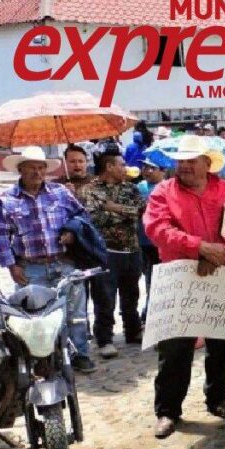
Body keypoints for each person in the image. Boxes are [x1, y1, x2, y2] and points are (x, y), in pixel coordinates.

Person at [144, 136, 225, 439]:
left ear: (207, 163)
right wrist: (199, 248)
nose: (185, 165)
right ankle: (167, 411)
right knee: (174, 350)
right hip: (178, 278)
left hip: (218, 275)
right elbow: (158, 229)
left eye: (192, 160)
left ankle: (217, 398)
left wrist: (218, 254)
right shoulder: (163, 192)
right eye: (181, 160)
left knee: (222, 343)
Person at [0, 147, 96, 373]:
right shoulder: (7, 199)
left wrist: (72, 231)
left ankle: (79, 354)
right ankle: (48, 358)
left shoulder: (60, 192)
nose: (37, 172)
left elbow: (81, 215)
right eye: (31, 167)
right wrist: (11, 265)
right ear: (20, 169)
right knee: (38, 317)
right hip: (30, 268)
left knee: (75, 314)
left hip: (64, 262)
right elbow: (0, 234)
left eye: (41, 167)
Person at [83, 148, 146, 357]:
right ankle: (105, 338)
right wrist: (122, 212)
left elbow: (140, 211)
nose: (124, 168)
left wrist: (113, 208)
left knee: (132, 295)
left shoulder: (131, 188)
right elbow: (95, 219)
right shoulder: (91, 190)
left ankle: (133, 330)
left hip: (132, 249)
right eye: (121, 165)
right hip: (106, 252)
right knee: (105, 298)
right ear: (109, 167)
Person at [137, 160, 166, 324]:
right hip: (143, 242)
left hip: (161, 243)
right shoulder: (139, 188)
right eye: (145, 167)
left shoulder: (168, 187)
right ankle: (149, 311)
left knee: (158, 279)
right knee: (149, 279)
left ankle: (152, 312)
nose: (147, 171)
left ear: (162, 171)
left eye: (152, 167)